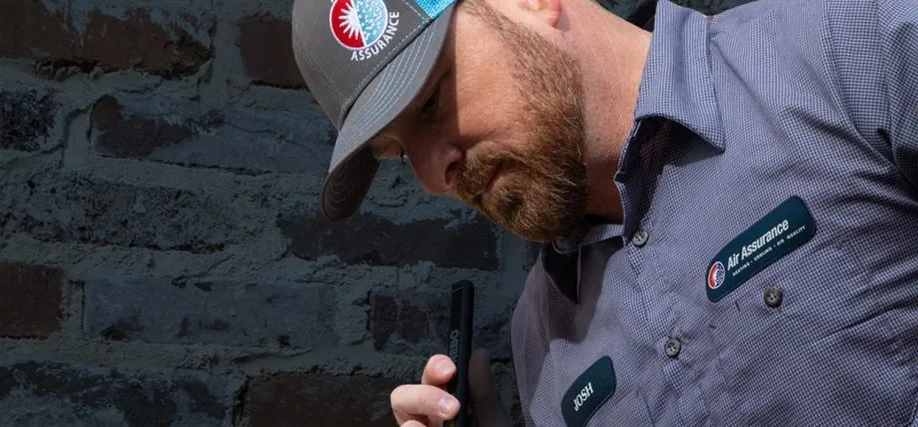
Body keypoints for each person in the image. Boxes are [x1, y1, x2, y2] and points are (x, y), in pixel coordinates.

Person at [290, 0, 918, 424]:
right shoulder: (541, 347)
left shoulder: (853, 51)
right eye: (400, 153)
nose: (433, 177)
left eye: (431, 102)